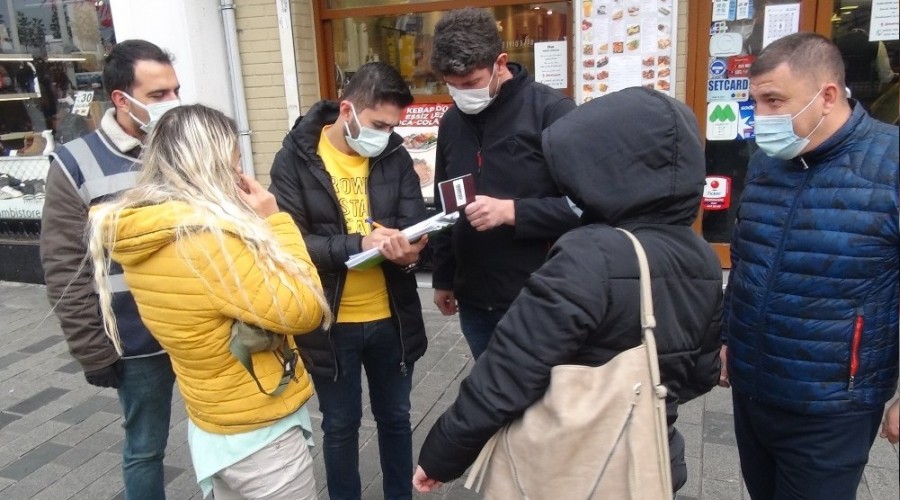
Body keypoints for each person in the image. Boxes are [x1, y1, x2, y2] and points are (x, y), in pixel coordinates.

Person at [413, 87, 723, 494]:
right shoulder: (702, 256)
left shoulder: (589, 254)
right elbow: (701, 374)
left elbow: (507, 372)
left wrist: (443, 453)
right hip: (651, 464)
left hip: (573, 468)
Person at [87, 104, 330, 499]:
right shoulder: (205, 242)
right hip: (259, 433)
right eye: (235, 161)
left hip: (211, 421)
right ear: (211, 164)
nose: (240, 173)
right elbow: (304, 307)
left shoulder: (146, 230)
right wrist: (275, 220)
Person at [721, 32, 900, 500]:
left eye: (774, 100)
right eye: (756, 101)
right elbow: (746, 262)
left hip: (832, 404)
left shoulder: (891, 164)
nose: (761, 116)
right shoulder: (767, 164)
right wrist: (727, 339)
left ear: (827, 96)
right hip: (755, 388)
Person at [268, 62, 428, 500]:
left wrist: (411, 250)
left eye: (393, 126)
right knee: (340, 426)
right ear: (347, 110)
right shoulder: (295, 158)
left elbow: (414, 222)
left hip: (391, 316)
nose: (385, 135)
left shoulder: (393, 155)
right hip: (329, 321)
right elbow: (292, 243)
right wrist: (359, 243)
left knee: (396, 417)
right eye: (378, 124)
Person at [40, 39, 181, 500]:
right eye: (159, 95)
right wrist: (92, 349)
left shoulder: (183, 148)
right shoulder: (75, 162)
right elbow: (64, 264)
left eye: (175, 91)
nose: (173, 103)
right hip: (136, 340)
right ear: (122, 99)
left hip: (200, 326)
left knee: (221, 436)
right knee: (146, 448)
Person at [428, 8, 579, 359]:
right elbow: (446, 205)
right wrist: (443, 278)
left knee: (542, 405)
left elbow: (588, 207)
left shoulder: (552, 112)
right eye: (452, 85)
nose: (462, 94)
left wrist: (514, 212)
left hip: (540, 298)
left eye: (471, 83)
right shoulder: (452, 122)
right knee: (492, 401)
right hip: (476, 301)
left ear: (500, 63)